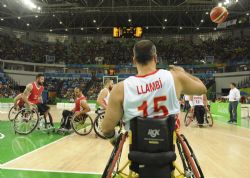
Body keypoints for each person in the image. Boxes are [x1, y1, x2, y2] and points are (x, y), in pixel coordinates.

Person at [101, 40, 207, 139]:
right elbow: (202, 89)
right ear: (155, 58)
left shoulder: (120, 88)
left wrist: (114, 136)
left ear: (134, 61)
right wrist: (183, 73)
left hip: (137, 151)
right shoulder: (175, 77)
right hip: (167, 147)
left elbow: (106, 129)